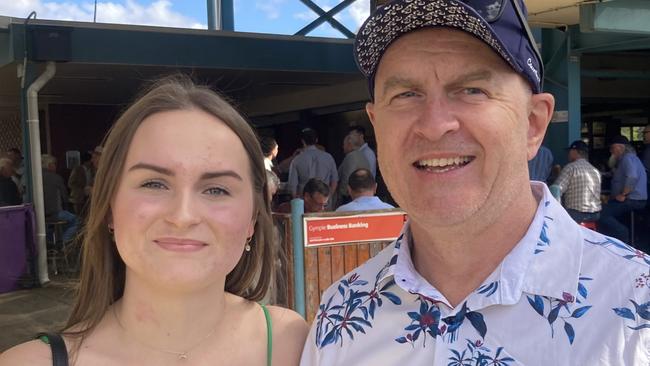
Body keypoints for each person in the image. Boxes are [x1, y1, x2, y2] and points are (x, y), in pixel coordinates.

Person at [301, 1, 650, 365]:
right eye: (405, 95)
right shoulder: (341, 314)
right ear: (376, 125)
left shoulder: (637, 312)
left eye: (472, 90)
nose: (434, 124)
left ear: (533, 123)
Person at [0, 76, 308, 365]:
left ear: (253, 218)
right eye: (154, 184)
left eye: (217, 189)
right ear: (109, 207)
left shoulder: (292, 343)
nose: (182, 216)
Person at [598, 135, 647, 243]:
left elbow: (632, 176)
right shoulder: (629, 159)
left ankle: (623, 235)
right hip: (634, 198)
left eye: (613, 148)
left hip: (632, 199)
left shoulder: (627, 158)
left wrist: (624, 194)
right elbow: (619, 175)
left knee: (602, 213)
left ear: (620, 147)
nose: (611, 151)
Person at [552, 140, 601, 223]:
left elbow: (556, 189)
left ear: (575, 151)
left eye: (570, 151)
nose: (568, 154)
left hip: (576, 214)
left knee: (555, 222)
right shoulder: (595, 170)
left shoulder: (571, 168)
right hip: (595, 214)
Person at [287, 128, 338, 198]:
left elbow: (292, 186)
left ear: (302, 141)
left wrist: (298, 202)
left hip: (305, 201)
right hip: (324, 200)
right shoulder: (329, 157)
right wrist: (328, 198)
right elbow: (334, 181)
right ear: (316, 140)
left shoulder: (296, 160)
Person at [42, 154, 78, 244]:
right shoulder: (56, 178)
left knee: (49, 227)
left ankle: (50, 245)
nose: (55, 166)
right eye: (55, 164)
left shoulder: (36, 177)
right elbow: (64, 196)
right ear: (50, 165)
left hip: (41, 215)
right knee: (76, 220)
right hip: (55, 213)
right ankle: (63, 243)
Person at [335, 134, 371, 207]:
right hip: (364, 194)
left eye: (344, 144)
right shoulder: (363, 156)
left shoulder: (351, 157)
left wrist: (341, 196)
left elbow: (346, 177)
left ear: (349, 144)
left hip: (351, 197)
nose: (343, 147)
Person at [68, 151, 92, 215]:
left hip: (89, 197)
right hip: (78, 197)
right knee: (78, 215)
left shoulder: (92, 170)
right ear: (87, 161)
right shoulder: (77, 170)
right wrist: (82, 188)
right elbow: (70, 183)